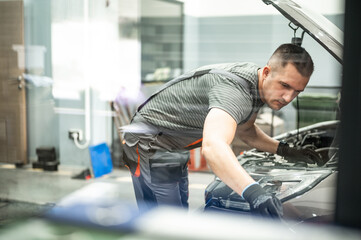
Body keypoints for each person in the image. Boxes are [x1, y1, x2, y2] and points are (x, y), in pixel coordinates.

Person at [121, 43, 321, 218]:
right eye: (284, 85)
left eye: (297, 91)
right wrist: (254, 192)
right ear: (267, 72)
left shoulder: (257, 84)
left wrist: (285, 150)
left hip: (174, 145)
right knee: (164, 220)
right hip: (150, 144)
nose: (288, 97)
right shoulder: (234, 90)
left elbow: (246, 130)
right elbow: (213, 146)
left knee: (179, 213)